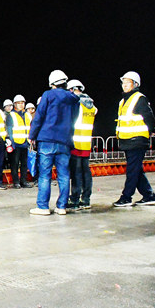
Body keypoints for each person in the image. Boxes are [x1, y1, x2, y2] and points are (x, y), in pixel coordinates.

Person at [28, 70, 79, 216]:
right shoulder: (73, 99)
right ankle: (61, 207)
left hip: (47, 140)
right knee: (64, 175)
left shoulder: (48, 95)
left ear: (52, 83)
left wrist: (32, 135)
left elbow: (39, 116)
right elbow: (74, 119)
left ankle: (43, 207)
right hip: (64, 141)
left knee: (45, 175)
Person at [113, 71, 155, 207]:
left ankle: (126, 197)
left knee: (132, 170)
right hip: (126, 140)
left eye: (128, 82)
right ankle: (149, 195)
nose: (124, 85)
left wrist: (151, 130)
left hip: (137, 139)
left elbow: (149, 117)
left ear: (136, 84)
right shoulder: (123, 101)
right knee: (136, 170)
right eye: (123, 82)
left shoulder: (139, 98)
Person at [66, 79, 97, 211]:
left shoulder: (76, 104)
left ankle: (74, 200)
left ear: (72, 90)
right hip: (86, 143)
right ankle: (86, 199)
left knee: (76, 173)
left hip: (75, 143)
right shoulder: (91, 105)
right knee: (86, 172)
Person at [6, 95, 33, 189]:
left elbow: (30, 128)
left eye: (22, 103)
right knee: (15, 164)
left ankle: (23, 181)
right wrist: (10, 142)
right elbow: (9, 129)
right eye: (19, 103)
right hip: (15, 143)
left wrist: (31, 139)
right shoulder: (11, 115)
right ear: (15, 104)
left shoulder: (27, 115)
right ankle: (16, 182)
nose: (21, 105)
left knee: (24, 164)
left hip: (25, 143)